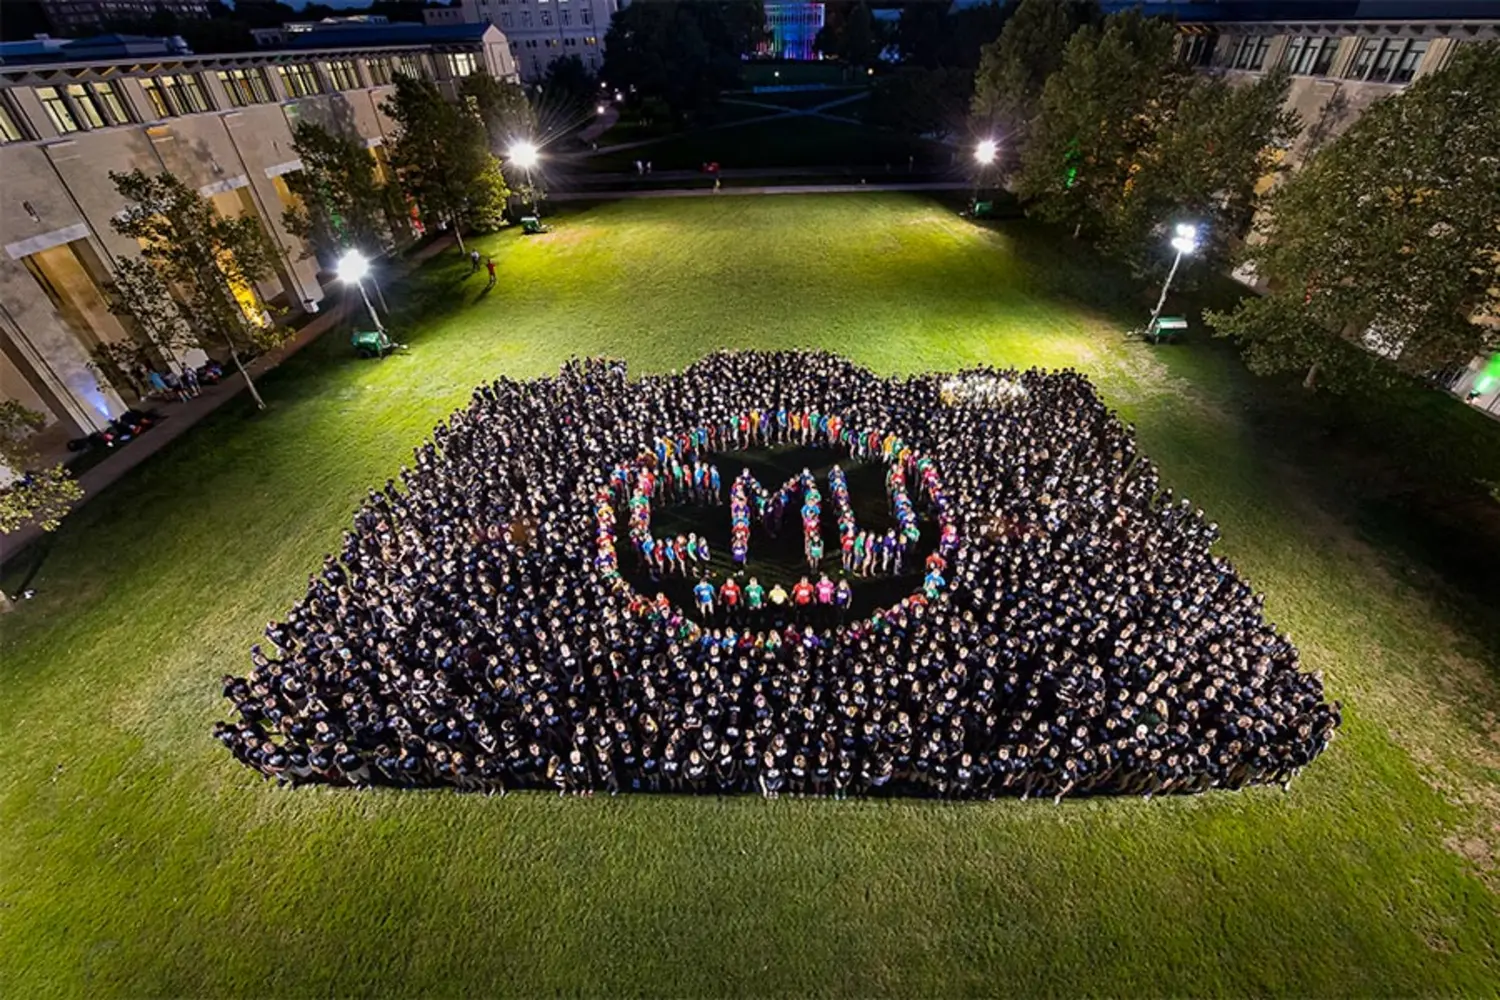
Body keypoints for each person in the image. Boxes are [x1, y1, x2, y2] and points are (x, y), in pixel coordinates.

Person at [214, 350, 1340, 803]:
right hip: (746, 568)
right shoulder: (693, 550)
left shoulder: (864, 555)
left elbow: (848, 563)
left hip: (798, 571)